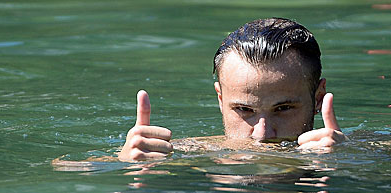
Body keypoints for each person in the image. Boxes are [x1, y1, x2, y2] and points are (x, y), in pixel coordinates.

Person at [118, 17, 346, 161]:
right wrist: (125, 161)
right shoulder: (172, 153)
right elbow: (83, 171)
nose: (262, 136)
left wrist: (348, 163)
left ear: (318, 99)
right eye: (244, 110)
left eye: (284, 108)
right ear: (220, 99)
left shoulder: (370, 152)